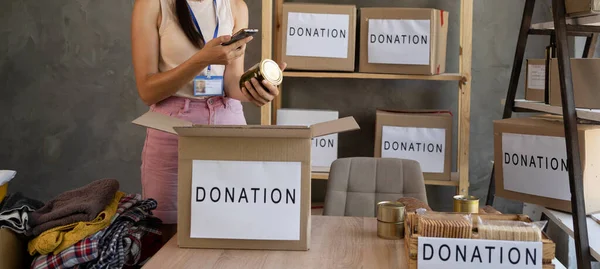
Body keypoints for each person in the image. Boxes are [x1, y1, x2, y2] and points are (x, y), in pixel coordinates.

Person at [130, 0, 286, 242]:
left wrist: (256, 89)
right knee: (162, 236)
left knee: (232, 228)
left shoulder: (236, 7)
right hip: (172, 130)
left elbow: (232, 82)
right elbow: (147, 90)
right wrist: (202, 59)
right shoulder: (153, 4)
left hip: (227, 124)